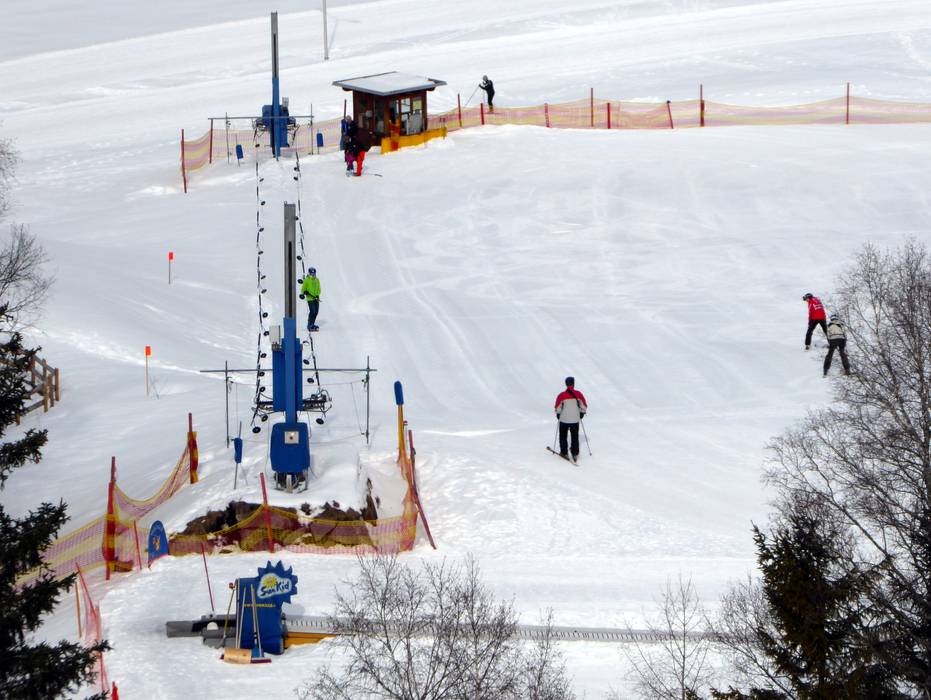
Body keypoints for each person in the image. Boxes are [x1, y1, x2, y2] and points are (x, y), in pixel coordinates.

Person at [554, 376, 588, 462]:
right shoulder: (579, 394)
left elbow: (557, 407)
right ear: (573, 384)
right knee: (575, 436)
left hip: (564, 419)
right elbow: (584, 405)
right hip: (575, 419)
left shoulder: (561, 395)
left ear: (566, 384)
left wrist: (558, 414)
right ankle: (575, 453)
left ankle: (564, 452)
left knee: (563, 436)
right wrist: (582, 413)